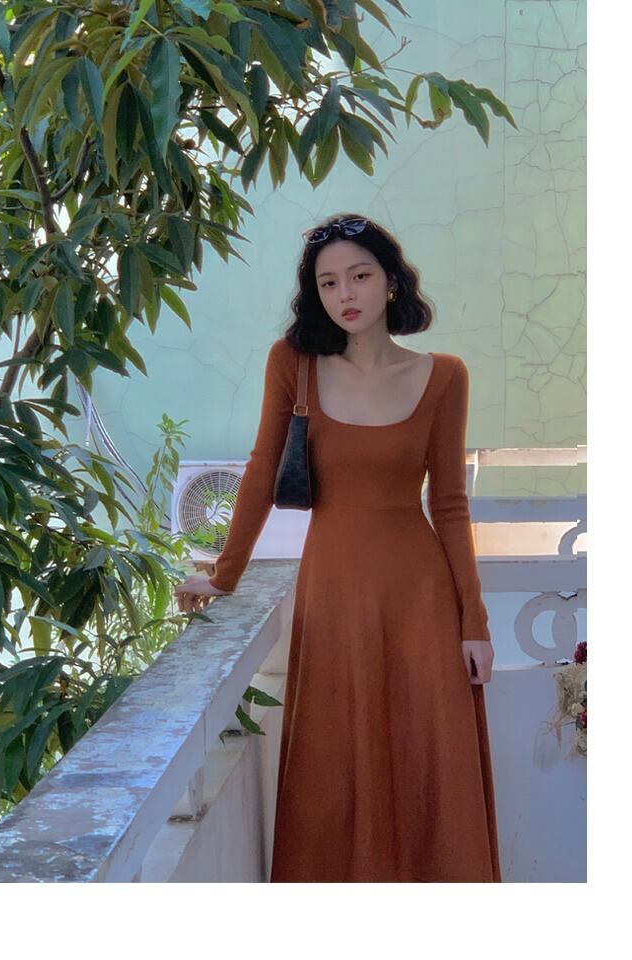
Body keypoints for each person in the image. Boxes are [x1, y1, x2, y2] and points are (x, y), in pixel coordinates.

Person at [173, 213, 501, 882]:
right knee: (333, 764)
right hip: (333, 592)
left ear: (390, 281)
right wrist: (225, 575)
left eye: (359, 275)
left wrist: (474, 622)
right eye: (328, 283)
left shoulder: (444, 377)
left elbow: (448, 504)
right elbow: (262, 471)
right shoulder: (293, 365)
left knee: (428, 761)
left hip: (419, 599)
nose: (345, 294)